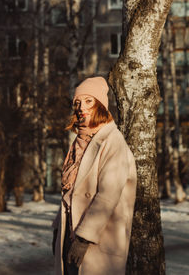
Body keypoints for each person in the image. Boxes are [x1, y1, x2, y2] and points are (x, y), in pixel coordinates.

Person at [52, 76, 137, 275]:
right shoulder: (79, 142)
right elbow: (70, 193)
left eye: (89, 101)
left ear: (100, 104)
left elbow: (107, 196)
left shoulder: (112, 141)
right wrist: (58, 230)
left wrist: (83, 239)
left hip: (96, 242)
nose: (81, 107)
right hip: (69, 237)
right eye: (77, 102)